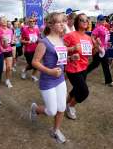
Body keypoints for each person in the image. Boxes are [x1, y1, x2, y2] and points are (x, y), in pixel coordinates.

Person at [30, 12, 67, 143]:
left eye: (64, 21)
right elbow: (34, 62)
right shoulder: (44, 42)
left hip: (60, 79)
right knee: (51, 111)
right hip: (47, 81)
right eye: (59, 21)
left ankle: (55, 130)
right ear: (50, 25)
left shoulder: (62, 39)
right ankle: (35, 108)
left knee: (62, 107)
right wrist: (50, 71)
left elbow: (60, 58)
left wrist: (71, 58)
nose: (63, 24)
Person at [64, 13, 93, 120]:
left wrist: (96, 47)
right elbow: (60, 50)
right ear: (77, 22)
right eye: (82, 20)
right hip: (72, 68)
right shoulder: (70, 35)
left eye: (87, 20)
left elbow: (89, 54)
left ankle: (64, 105)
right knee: (84, 91)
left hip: (84, 67)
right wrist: (72, 50)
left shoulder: (88, 38)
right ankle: (70, 106)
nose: (85, 22)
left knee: (76, 89)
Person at [86, 14, 113, 87]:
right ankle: (109, 81)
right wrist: (98, 47)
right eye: (101, 19)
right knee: (97, 65)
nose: (103, 21)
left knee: (97, 64)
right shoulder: (97, 28)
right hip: (99, 50)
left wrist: (107, 44)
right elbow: (92, 38)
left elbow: (104, 38)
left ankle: (108, 81)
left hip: (103, 49)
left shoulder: (103, 27)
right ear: (98, 20)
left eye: (104, 19)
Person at [21, 16, 39, 81]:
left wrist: (39, 40)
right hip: (28, 50)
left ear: (35, 22)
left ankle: (33, 75)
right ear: (28, 22)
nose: (32, 22)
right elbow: (21, 40)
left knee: (37, 64)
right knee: (31, 64)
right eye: (30, 21)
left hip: (36, 50)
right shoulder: (25, 30)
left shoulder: (36, 30)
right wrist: (27, 41)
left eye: (33, 21)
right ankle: (24, 70)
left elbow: (38, 39)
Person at [0, 16, 14, 88]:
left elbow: (11, 41)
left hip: (8, 50)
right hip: (0, 51)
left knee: (9, 67)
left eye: (5, 20)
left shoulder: (10, 30)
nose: (4, 22)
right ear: (0, 22)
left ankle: (7, 80)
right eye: (2, 20)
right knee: (3, 69)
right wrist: (1, 48)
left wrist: (13, 41)